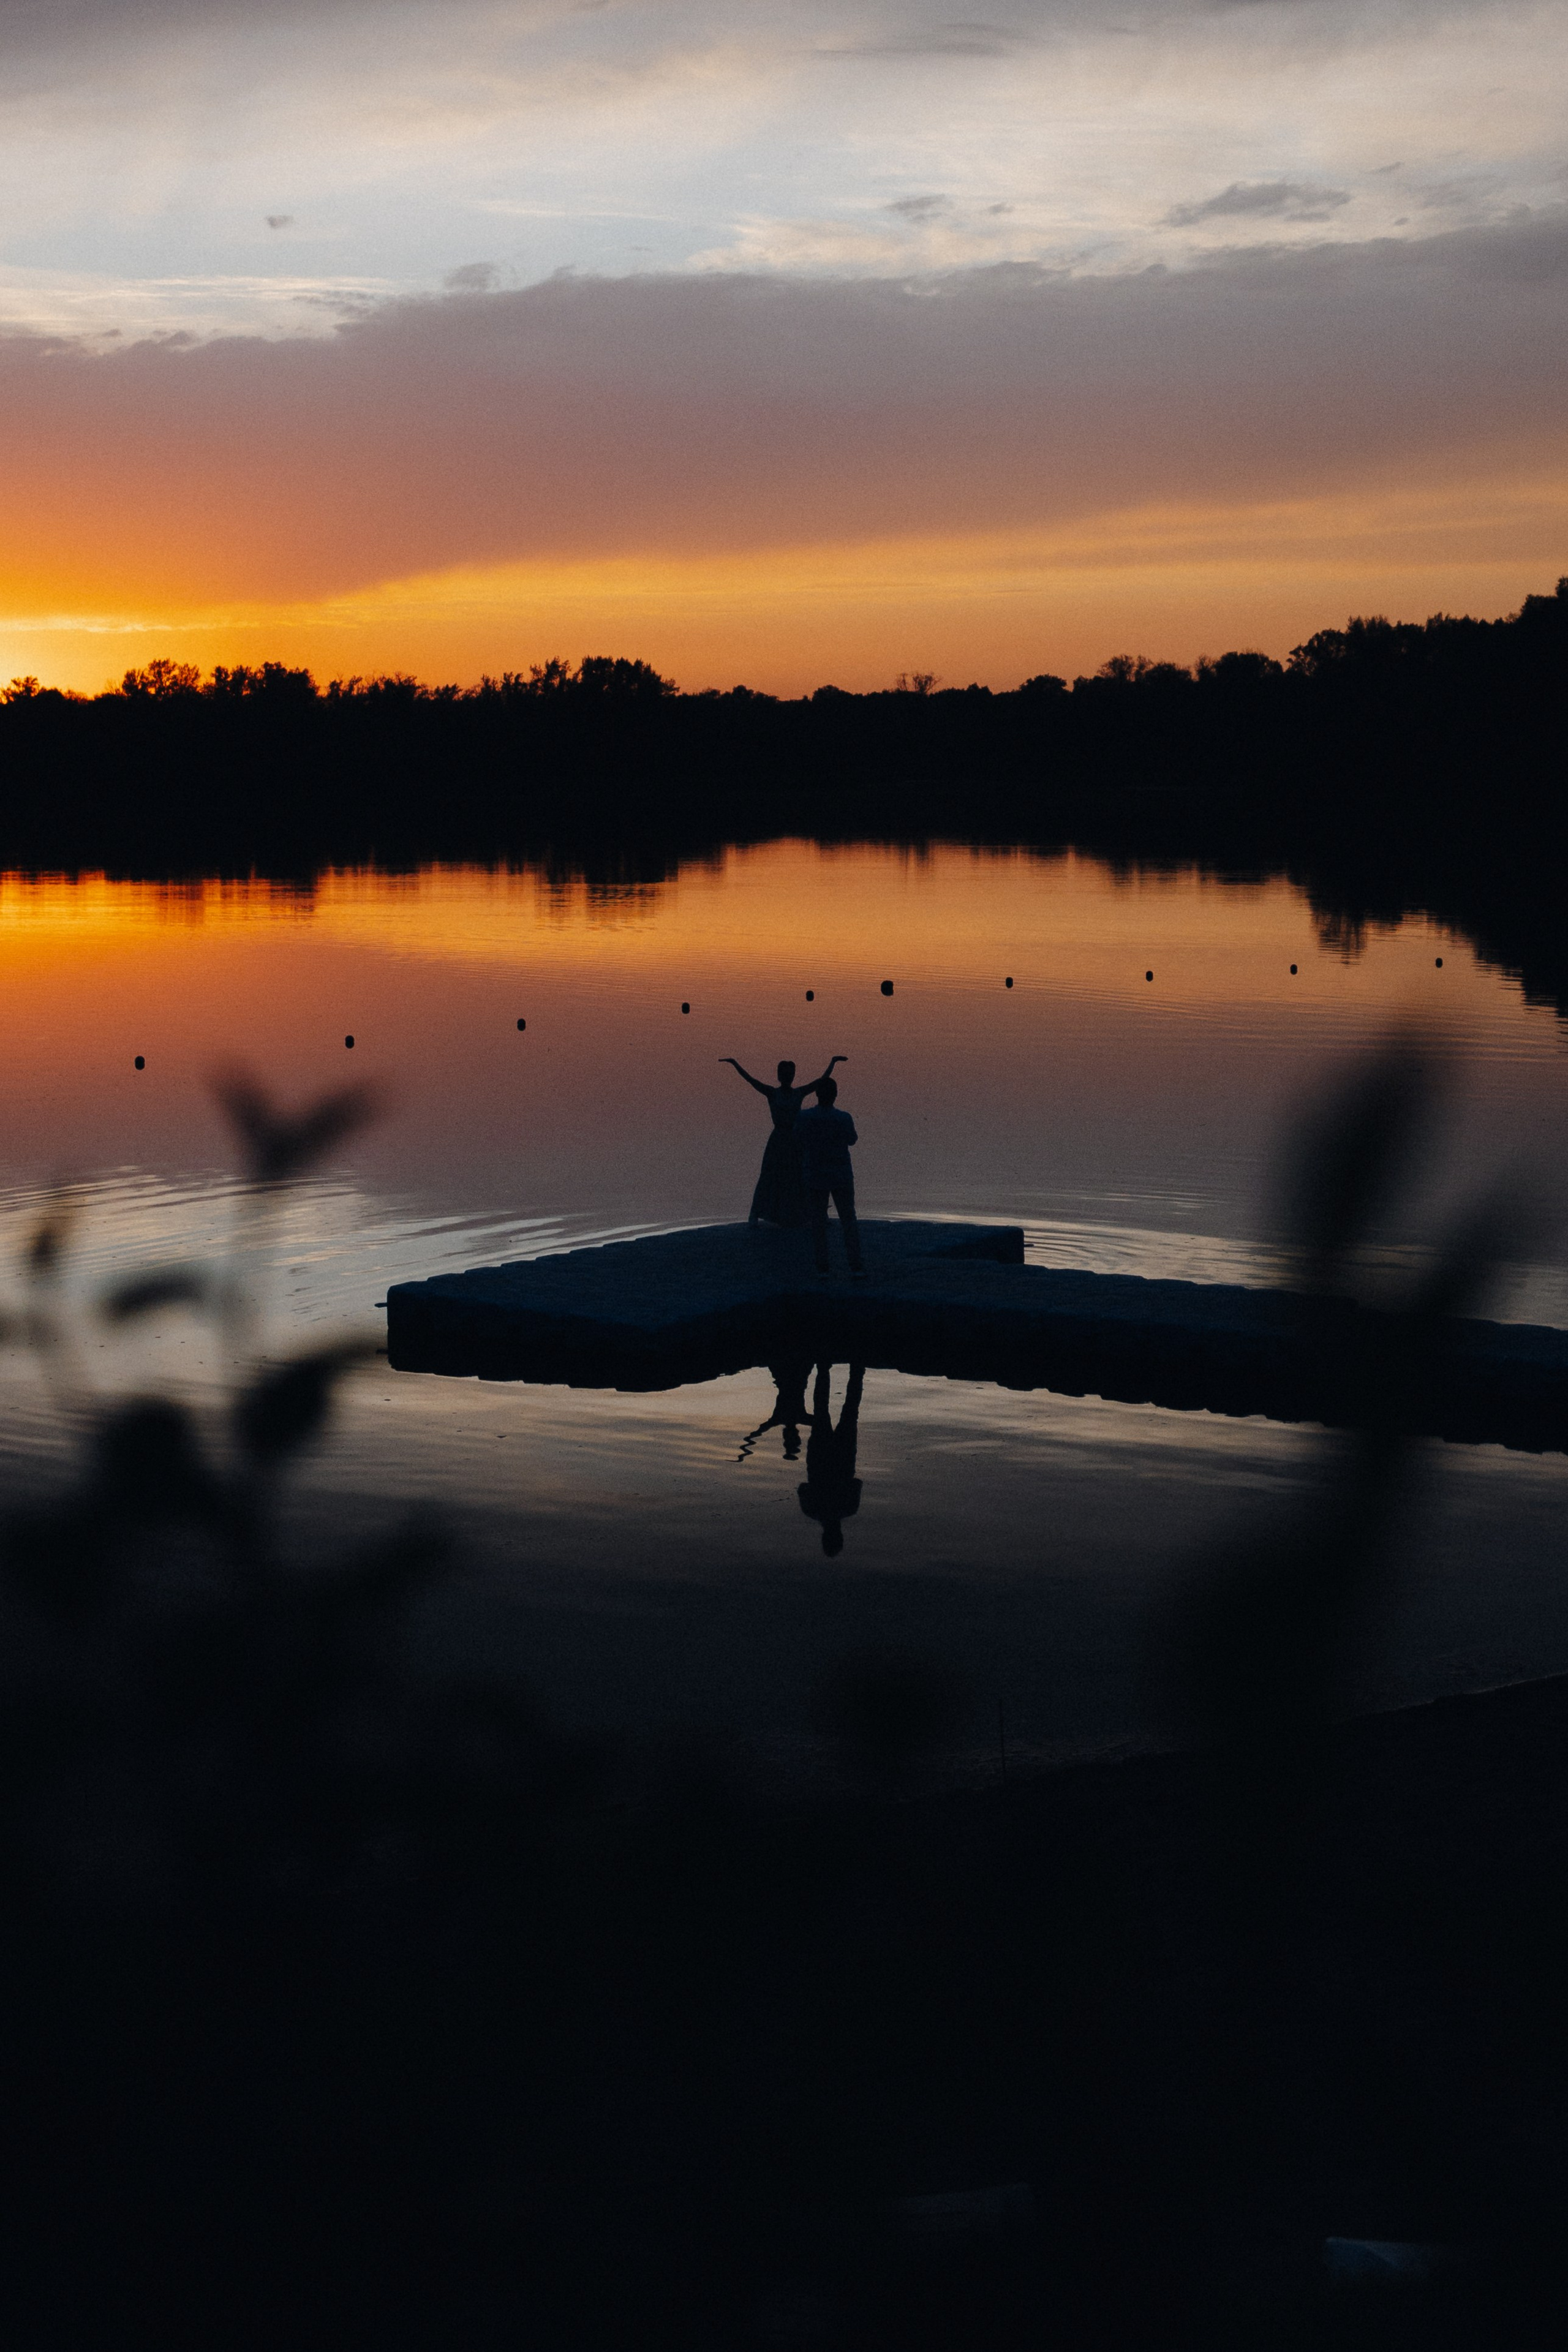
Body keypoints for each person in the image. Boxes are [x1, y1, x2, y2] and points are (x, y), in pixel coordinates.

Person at [720, 1053, 847, 1229]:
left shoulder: (799, 1093)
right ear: (780, 1076)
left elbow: (821, 1081)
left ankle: (818, 1213)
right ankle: (754, 1215)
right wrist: (735, 1064)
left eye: (790, 1074)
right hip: (778, 1141)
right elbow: (751, 1080)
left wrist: (833, 1063)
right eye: (785, 1074)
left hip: (796, 1140)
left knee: (803, 1176)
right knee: (769, 1176)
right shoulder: (772, 1093)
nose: (788, 1077)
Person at [796, 1074, 864, 1276]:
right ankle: (855, 1266)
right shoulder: (844, 1118)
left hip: (815, 1174)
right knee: (848, 1220)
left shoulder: (805, 1117)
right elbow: (852, 1140)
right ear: (835, 1095)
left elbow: (797, 1139)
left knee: (818, 1223)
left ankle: (822, 1267)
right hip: (841, 1174)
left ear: (817, 1095)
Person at [797, 1362, 864, 1556]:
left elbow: (857, 1483)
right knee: (822, 1410)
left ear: (839, 1535)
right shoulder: (811, 1510)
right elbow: (802, 1488)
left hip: (844, 1459)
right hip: (819, 1460)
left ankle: (857, 1369)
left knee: (850, 1410)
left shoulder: (849, 1508)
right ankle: (824, 1368)